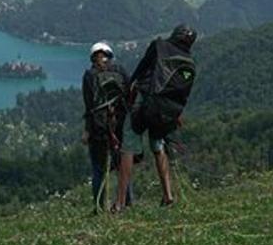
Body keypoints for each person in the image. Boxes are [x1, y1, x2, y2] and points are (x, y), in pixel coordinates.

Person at [129, 24, 197, 206]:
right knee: (158, 148)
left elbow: (142, 67)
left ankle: (123, 199)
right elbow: (182, 94)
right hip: (167, 113)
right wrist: (176, 114)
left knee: (129, 137)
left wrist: (129, 85)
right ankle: (168, 195)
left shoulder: (159, 45)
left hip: (146, 102)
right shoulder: (189, 62)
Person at [81, 41, 133, 213]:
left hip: (99, 129)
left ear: (92, 57)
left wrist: (87, 130)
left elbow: (89, 105)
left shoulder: (89, 75)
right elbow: (130, 95)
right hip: (120, 126)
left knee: (98, 169)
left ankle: (98, 207)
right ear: (109, 55)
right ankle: (127, 202)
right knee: (122, 167)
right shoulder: (120, 70)